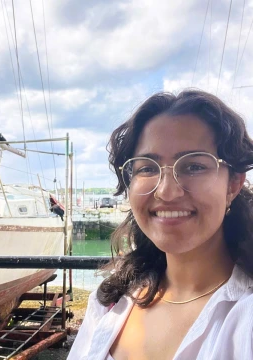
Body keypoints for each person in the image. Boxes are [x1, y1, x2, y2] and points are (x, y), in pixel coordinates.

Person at [67, 89, 253, 360]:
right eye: (147, 168)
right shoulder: (110, 301)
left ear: (233, 184)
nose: (166, 191)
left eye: (194, 167)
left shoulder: (244, 318)